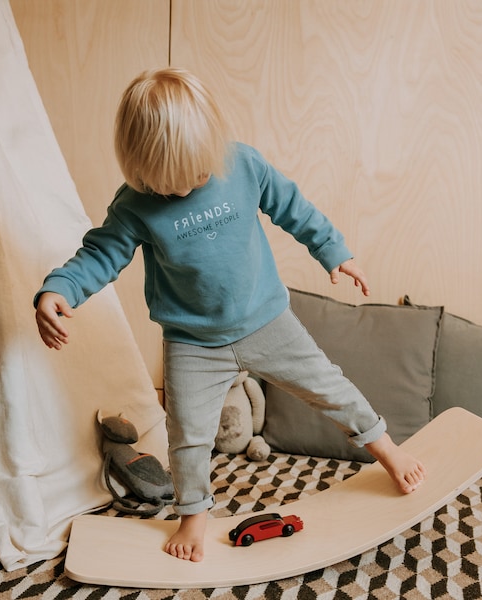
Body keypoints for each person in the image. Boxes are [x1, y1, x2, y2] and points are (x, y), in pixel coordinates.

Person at [34, 68, 426, 563]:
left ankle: (386, 449)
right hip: (192, 341)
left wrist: (334, 251)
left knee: (330, 387)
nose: (193, 185)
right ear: (141, 171)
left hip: (267, 320)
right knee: (188, 434)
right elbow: (100, 254)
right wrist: (60, 287)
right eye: (173, 184)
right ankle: (193, 513)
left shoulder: (240, 164)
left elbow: (293, 207)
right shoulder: (135, 205)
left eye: (201, 174)